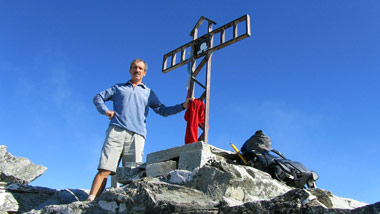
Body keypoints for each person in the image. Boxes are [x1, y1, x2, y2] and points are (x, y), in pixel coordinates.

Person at [87, 58, 192, 201]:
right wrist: (106, 111)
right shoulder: (118, 88)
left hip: (137, 136)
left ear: (145, 73)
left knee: (132, 175)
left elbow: (162, 110)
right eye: (134, 67)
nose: (137, 70)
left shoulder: (148, 92)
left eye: (140, 68)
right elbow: (98, 97)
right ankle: (90, 201)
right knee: (105, 169)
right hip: (116, 131)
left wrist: (182, 106)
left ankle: (127, 205)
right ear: (130, 70)